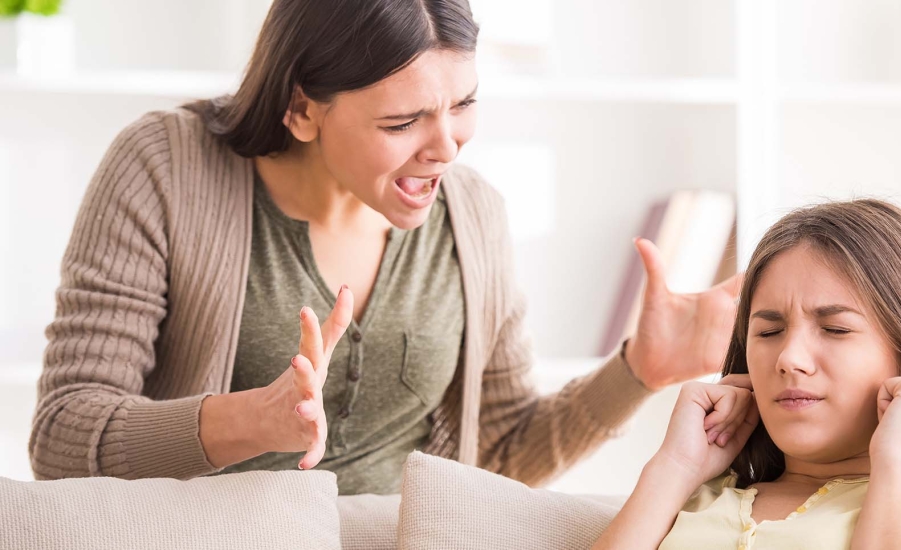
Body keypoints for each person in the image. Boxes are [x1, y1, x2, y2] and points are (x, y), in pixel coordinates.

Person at [28, 0, 740, 496]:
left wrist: (637, 372)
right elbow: (63, 440)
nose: (447, 147)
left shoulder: (474, 217)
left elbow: (494, 457)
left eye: (463, 105)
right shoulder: (165, 168)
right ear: (302, 108)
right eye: (403, 121)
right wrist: (251, 421)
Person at [595, 199, 901, 549]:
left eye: (834, 329)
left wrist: (897, 465)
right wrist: (675, 469)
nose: (789, 358)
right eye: (769, 330)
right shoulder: (689, 500)